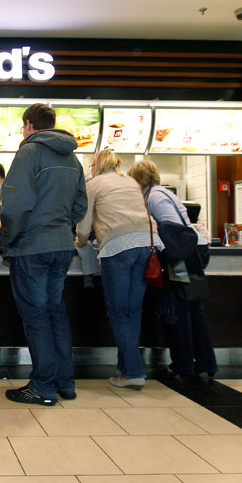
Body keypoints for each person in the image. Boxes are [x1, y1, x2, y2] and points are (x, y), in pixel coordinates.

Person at [0, 103, 87, 406]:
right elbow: (80, 206)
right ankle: (65, 383)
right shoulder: (73, 158)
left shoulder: (29, 152)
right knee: (55, 314)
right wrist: (63, 228)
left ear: (28, 124)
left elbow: (14, 205)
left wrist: (5, 240)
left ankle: (43, 387)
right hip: (62, 246)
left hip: (31, 247)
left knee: (36, 318)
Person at [75, 149, 161, 390]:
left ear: (96, 166)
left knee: (118, 312)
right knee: (132, 311)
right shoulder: (131, 181)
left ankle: (133, 371)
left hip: (118, 247)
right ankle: (126, 370)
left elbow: (84, 223)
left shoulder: (94, 184)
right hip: (147, 243)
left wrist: (79, 241)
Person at [128, 159, 217, 379]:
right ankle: (205, 362)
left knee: (179, 312)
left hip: (182, 256)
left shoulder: (156, 197)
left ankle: (183, 364)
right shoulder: (163, 194)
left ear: (139, 179)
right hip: (191, 252)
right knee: (193, 310)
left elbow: (172, 230)